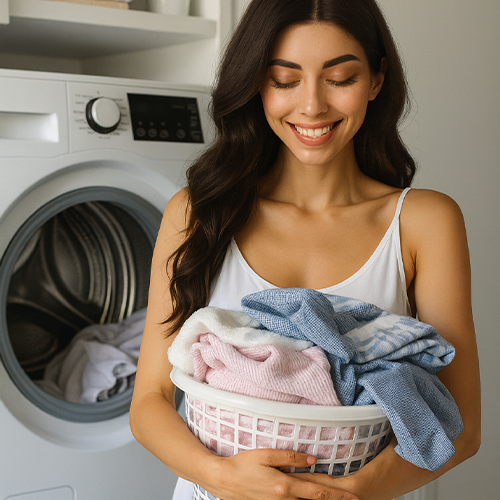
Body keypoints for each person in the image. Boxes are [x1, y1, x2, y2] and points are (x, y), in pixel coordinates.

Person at [129, 0, 481, 499]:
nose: (312, 106)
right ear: (256, 84)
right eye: (284, 79)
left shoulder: (423, 221)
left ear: (377, 80)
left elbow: (462, 424)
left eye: (339, 78)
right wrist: (223, 477)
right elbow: (149, 401)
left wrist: (354, 491)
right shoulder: (196, 214)